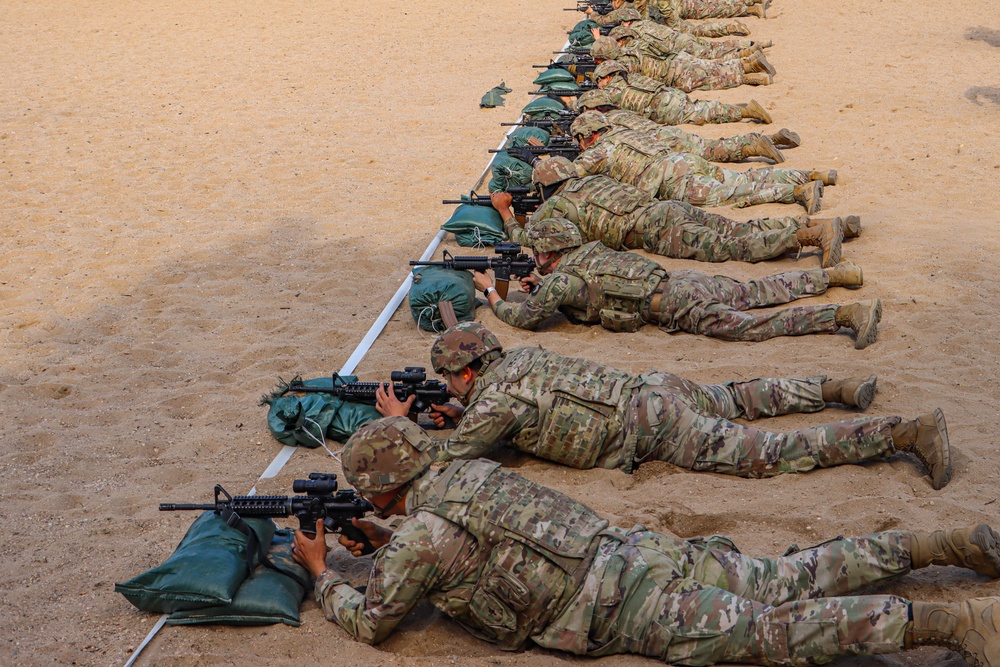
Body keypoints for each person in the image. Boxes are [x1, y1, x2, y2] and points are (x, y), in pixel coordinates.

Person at [292, 416, 996, 665]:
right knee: (789, 574)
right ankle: (945, 544)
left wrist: (324, 571)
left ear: (380, 486)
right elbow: (462, 540)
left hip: (624, 607)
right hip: (638, 551)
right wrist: (385, 535)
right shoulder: (465, 473)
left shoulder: (418, 535)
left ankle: (942, 621)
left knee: (773, 633)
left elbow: (375, 621)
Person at [375, 322, 949, 490]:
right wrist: (463, 412)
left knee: (767, 453)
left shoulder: (491, 400)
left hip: (649, 428)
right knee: (739, 397)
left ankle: (904, 434)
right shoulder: (518, 359)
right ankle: (833, 388)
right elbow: (512, 413)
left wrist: (403, 425)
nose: (448, 389)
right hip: (652, 386)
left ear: (467, 372)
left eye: (451, 381)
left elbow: (450, 455)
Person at [476, 217, 884, 348]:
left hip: (672, 306)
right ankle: (833, 275)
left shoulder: (560, 281)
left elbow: (524, 318)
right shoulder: (586, 256)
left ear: (548, 253)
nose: (534, 258)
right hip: (681, 281)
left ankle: (845, 315)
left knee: (754, 327)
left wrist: (490, 292)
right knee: (758, 290)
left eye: (537, 254)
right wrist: (540, 279)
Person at [490, 158, 854, 266]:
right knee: (736, 229)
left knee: (733, 249)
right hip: (664, 208)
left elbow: (528, 239)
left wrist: (506, 212)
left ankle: (811, 235)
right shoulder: (592, 180)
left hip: (655, 228)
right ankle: (823, 224)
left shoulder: (556, 206)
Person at [569, 111, 834, 213]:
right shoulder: (625, 132)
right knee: (745, 178)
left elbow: (571, 174)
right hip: (684, 161)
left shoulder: (598, 150)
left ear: (587, 136)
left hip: (674, 181)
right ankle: (812, 174)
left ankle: (797, 191)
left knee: (733, 195)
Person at [574, 87, 794, 164]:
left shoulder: (608, 124)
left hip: (662, 141)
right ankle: (772, 138)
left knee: (711, 150)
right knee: (710, 144)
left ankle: (757, 145)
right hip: (665, 134)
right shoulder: (620, 113)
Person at [593, 59, 773, 126]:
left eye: (599, 80)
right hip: (670, 94)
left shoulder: (611, 93)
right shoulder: (630, 77)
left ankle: (746, 111)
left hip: (665, 108)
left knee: (707, 113)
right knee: (704, 103)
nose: (599, 85)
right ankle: (743, 106)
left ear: (607, 77)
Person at [589, 35, 774, 92]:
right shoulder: (631, 47)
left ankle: (749, 77)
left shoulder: (622, 66)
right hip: (677, 58)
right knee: (714, 66)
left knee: (714, 81)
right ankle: (747, 62)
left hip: (675, 75)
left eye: (597, 59)